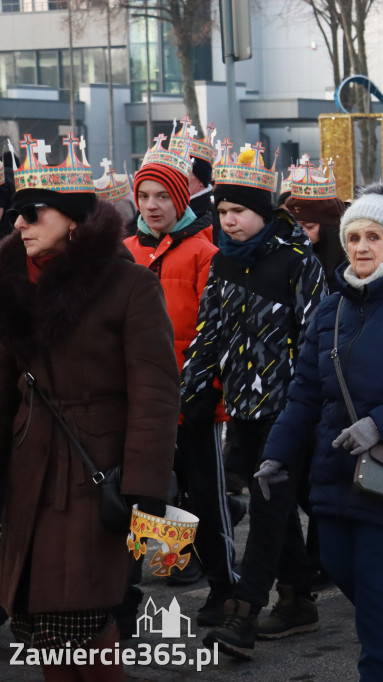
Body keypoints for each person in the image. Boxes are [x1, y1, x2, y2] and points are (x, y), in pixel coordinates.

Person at [254, 182, 383, 681]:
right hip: (334, 468)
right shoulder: (332, 309)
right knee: (340, 569)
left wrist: (378, 423)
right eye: (353, 238)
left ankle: (377, 670)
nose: (362, 247)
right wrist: (277, 453)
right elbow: (304, 392)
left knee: (371, 581)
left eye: (374, 237)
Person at [0, 133, 179, 680]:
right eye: (16, 215)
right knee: (39, 620)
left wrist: (145, 488)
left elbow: (155, 390)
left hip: (94, 472)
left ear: (74, 218)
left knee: (83, 617)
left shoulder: (128, 286)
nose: (20, 225)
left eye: (32, 213)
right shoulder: (8, 281)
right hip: (30, 470)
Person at [189, 142, 327, 658]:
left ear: (263, 213)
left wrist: (306, 406)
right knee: (280, 510)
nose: (228, 221)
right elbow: (208, 333)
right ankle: (297, 601)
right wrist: (196, 388)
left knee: (269, 512)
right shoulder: (224, 263)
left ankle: (244, 614)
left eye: (238, 211)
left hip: (288, 412)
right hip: (242, 410)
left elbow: (315, 338)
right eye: (222, 211)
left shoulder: (297, 262)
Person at [124, 131, 238, 620]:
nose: (152, 206)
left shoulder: (203, 253)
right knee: (142, 501)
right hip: (140, 402)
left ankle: (226, 587)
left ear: (180, 198)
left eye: (162, 196)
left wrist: (202, 393)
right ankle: (127, 594)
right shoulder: (125, 251)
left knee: (207, 499)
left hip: (195, 400)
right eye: (144, 196)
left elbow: (215, 334)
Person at [284, 157, 348, 287]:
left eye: (309, 226)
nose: (300, 232)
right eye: (295, 225)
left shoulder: (347, 270)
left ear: (328, 229)